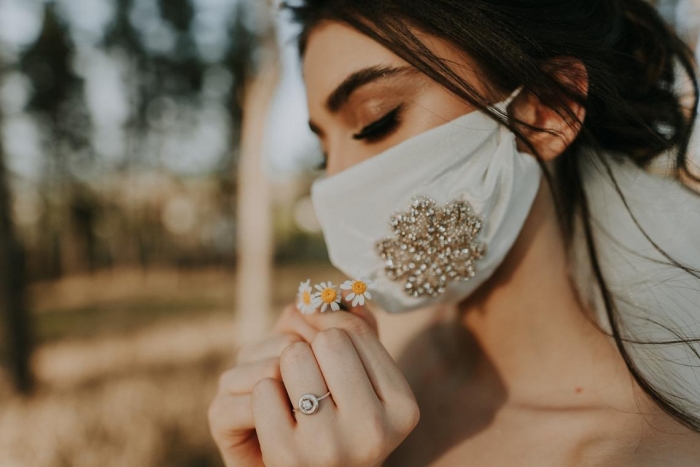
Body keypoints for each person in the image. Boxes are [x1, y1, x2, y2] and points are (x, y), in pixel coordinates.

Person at [208, 0, 700, 465]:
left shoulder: (650, 452)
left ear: (548, 110)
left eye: (377, 121)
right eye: (322, 153)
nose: (337, 186)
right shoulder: (372, 366)